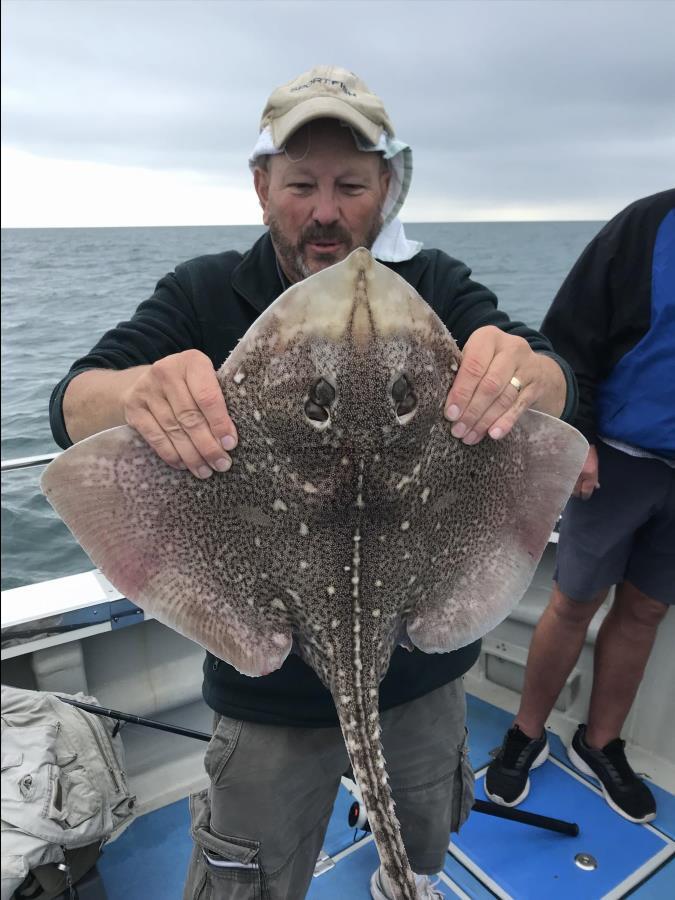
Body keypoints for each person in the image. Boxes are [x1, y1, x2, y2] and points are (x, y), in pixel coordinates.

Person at [49, 66, 577, 900]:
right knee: (249, 876)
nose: (325, 210)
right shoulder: (201, 291)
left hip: (421, 676)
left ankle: (403, 875)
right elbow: (72, 404)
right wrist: (135, 393)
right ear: (261, 187)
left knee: (426, 825)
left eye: (350, 184)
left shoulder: (433, 287)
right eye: (301, 183)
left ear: (388, 187)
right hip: (265, 695)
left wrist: (528, 376)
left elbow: (552, 377)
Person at [485, 189, 675, 826]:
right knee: (573, 600)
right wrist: (581, 436)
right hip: (619, 455)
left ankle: (601, 742)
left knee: (646, 608)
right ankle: (527, 732)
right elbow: (569, 336)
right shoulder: (649, 225)